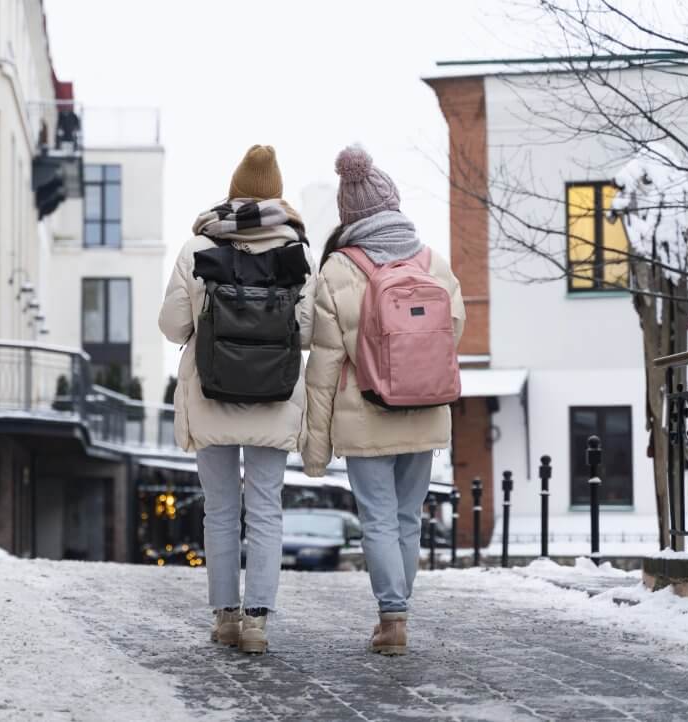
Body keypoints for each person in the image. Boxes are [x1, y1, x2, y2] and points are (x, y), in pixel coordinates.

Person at [303, 145, 465, 656]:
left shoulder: (336, 271)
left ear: (348, 215)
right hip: (424, 406)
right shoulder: (433, 263)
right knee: (407, 517)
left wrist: (316, 443)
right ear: (393, 204)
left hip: (364, 412)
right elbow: (452, 331)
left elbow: (324, 365)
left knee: (376, 516)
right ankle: (400, 613)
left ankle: (391, 616)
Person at [158, 145, 316, 655]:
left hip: (211, 391)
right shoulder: (297, 250)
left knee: (221, 508)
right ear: (278, 193)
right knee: (267, 507)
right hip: (273, 396)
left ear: (232, 189)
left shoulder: (198, 247)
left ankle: (225, 616)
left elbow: (172, 326)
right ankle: (257, 623)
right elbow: (310, 330)